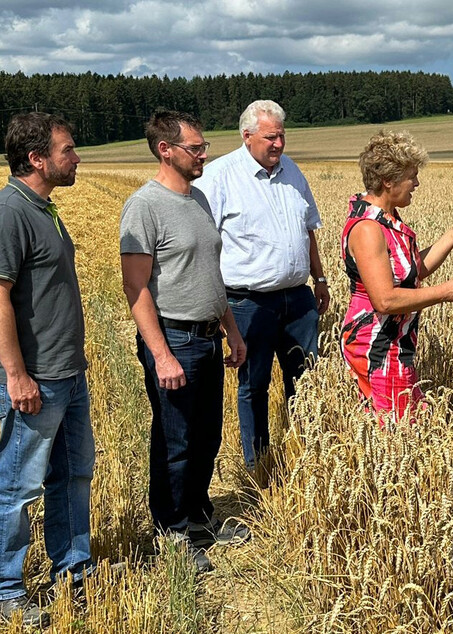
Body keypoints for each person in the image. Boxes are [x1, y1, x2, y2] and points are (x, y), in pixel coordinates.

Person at [0, 112, 91, 627]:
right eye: (67, 150)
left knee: (73, 474)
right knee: (18, 487)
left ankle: (74, 570)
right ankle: (2, 588)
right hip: (35, 378)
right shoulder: (7, 212)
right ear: (37, 159)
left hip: (67, 372)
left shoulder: (43, 208)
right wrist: (16, 375)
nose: (76, 157)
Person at [120, 111, 247, 573]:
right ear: (165, 150)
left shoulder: (199, 199)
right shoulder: (145, 206)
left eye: (203, 146)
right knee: (175, 443)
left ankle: (197, 517)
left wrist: (231, 329)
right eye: (195, 148)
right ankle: (172, 534)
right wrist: (161, 355)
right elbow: (135, 287)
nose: (203, 155)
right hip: (174, 339)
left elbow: (211, 274)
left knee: (207, 436)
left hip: (209, 337)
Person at [194, 100, 328, 468]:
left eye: (282, 136)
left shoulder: (292, 171)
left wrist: (319, 278)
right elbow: (204, 245)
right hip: (247, 302)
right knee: (254, 386)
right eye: (271, 137)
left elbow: (308, 230)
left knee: (307, 381)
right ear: (247, 136)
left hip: (298, 300)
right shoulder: (219, 177)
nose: (279, 144)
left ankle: (309, 460)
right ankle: (259, 466)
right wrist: (218, 307)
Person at [340, 131, 453, 421]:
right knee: (396, 428)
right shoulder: (368, 229)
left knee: (407, 421)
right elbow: (385, 300)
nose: (416, 184)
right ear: (388, 180)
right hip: (376, 344)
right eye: (411, 176)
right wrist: (443, 293)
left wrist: (452, 236)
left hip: (396, 341)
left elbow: (412, 272)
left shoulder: (388, 219)